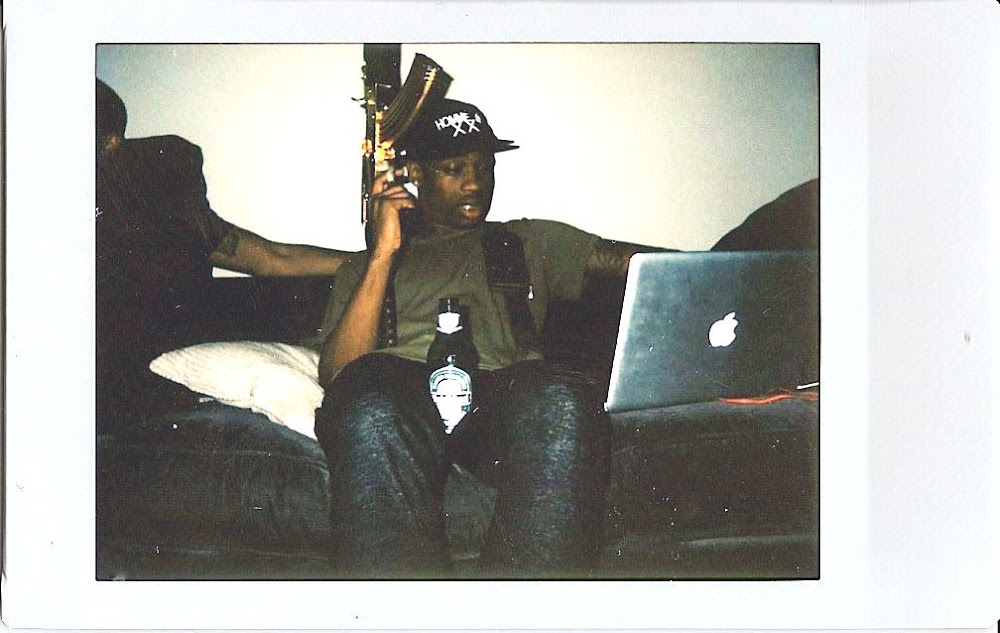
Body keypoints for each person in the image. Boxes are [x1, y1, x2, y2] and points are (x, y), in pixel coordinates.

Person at [313, 97, 657, 578]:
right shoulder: (364, 268)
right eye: (454, 169)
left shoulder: (526, 240)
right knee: (367, 408)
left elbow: (627, 262)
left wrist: (731, 266)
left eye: (483, 166)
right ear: (415, 174)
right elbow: (339, 375)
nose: (475, 182)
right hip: (398, 390)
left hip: (502, 392)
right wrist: (383, 253)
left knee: (562, 402)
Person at [96, 78, 350, 428]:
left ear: (111, 144)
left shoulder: (153, 207)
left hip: (152, 364)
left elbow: (272, 257)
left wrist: (374, 260)